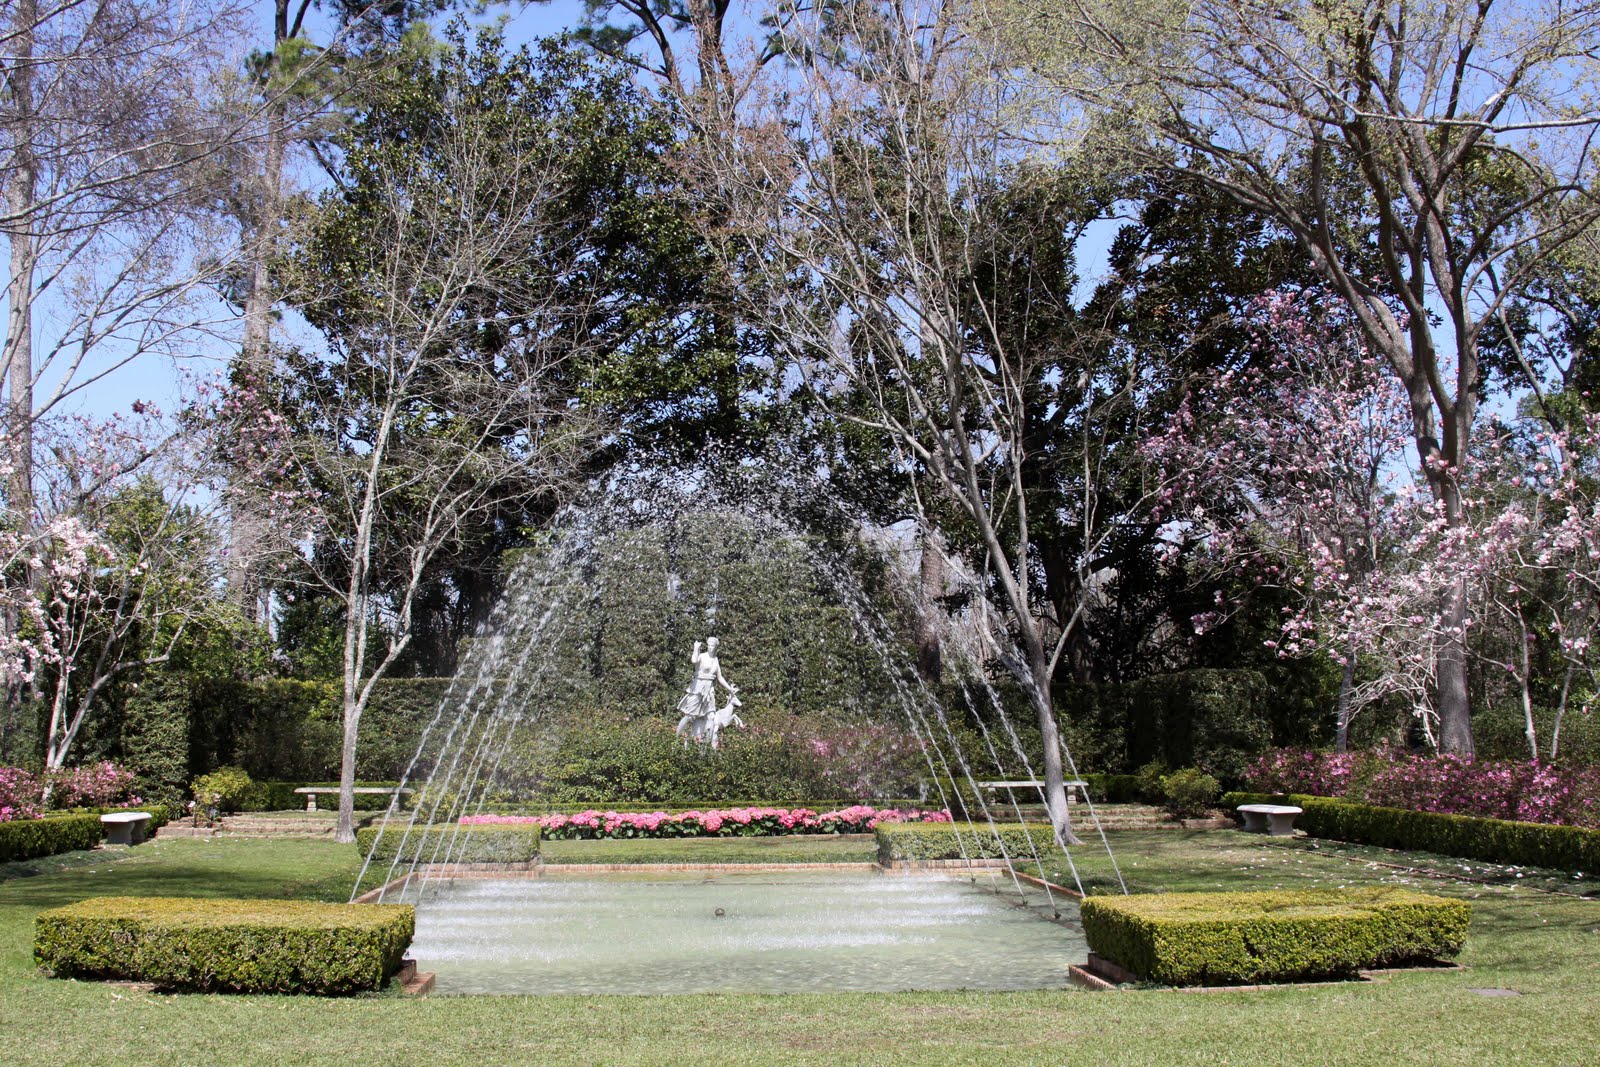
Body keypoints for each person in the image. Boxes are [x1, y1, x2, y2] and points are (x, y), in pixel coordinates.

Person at [675, 637, 736, 741]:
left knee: (711, 716)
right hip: (698, 688)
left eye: (712, 645)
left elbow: (720, 677)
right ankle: (675, 740)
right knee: (689, 716)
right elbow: (694, 660)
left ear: (716, 647)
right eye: (709, 645)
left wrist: (729, 688)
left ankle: (708, 745)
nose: (710, 647)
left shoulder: (716, 659)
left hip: (709, 690)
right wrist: (696, 648)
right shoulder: (702, 656)